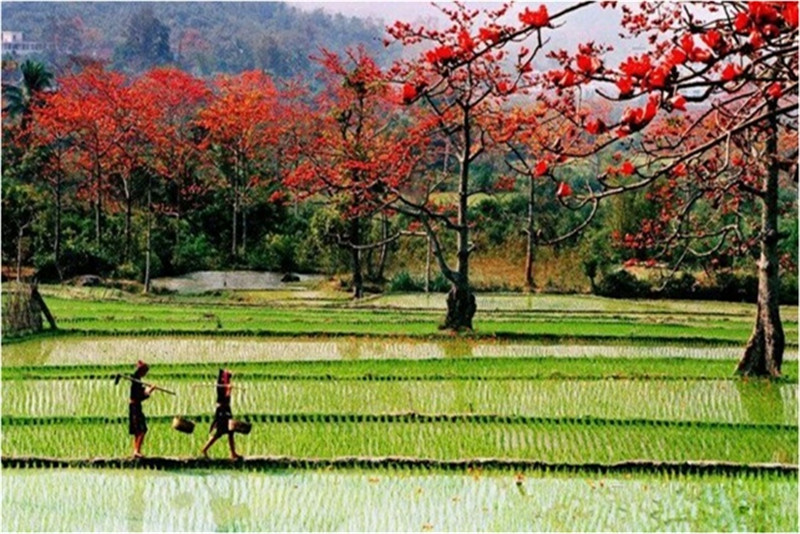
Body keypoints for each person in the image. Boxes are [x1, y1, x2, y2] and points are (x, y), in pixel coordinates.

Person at [201, 369, 242, 460]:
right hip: (222, 410)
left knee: (231, 431)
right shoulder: (222, 387)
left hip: (226, 409)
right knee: (219, 432)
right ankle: (204, 449)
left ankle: (233, 453)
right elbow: (226, 396)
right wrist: (230, 390)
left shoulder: (224, 385)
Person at [129, 360, 155, 458]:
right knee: (141, 429)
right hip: (135, 406)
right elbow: (140, 395)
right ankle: (136, 451)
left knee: (139, 430)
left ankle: (136, 450)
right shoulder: (136, 381)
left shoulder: (137, 380)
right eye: (145, 371)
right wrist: (149, 391)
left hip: (135, 406)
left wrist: (147, 390)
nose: (146, 373)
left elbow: (141, 392)